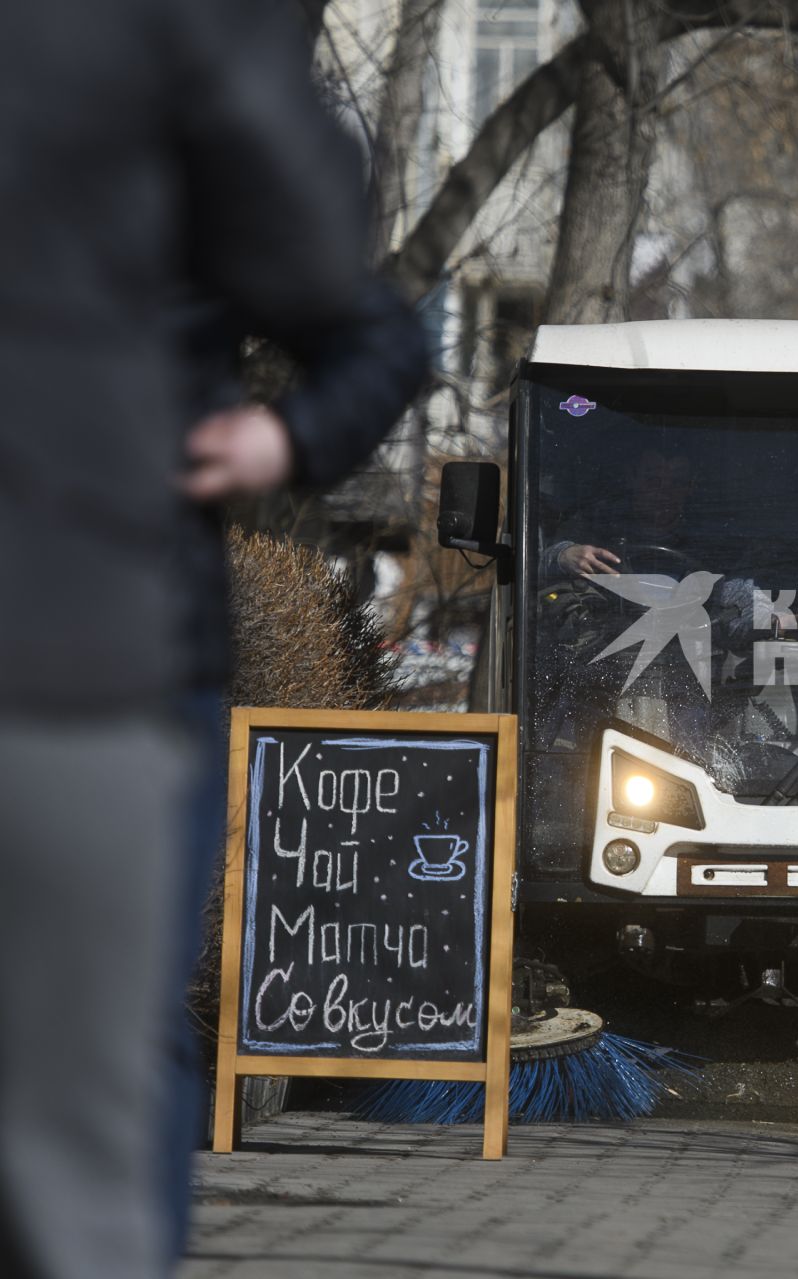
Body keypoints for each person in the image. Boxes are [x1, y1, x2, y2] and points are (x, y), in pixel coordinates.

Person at [0, 4, 427, 1277]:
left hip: (95, 633)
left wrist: (285, 439)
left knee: (109, 1059)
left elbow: (363, 321)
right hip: (105, 635)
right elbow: (327, 240)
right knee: (97, 1092)